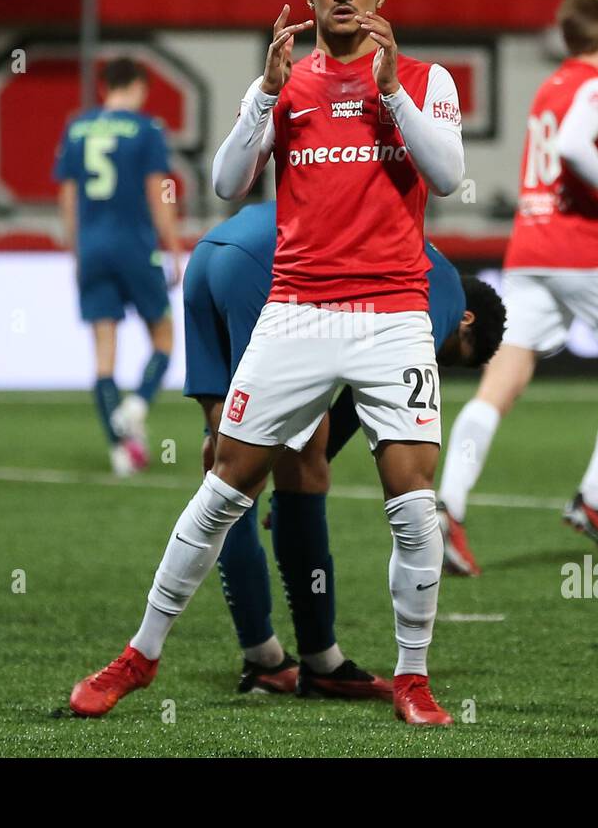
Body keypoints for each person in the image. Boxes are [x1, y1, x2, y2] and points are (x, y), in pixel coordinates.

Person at [69, 0, 466, 726]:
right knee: (223, 483)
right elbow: (223, 181)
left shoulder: (425, 80)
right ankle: (141, 654)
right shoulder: (287, 85)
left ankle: (414, 679)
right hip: (296, 312)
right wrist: (260, 97)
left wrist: (391, 94)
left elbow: (448, 176)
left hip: (391, 315)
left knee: (414, 500)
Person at [183, 200, 505, 695]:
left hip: (210, 256)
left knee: (224, 464)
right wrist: (313, 460)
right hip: (265, 270)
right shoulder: (438, 292)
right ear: (465, 323)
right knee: (300, 470)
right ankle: (320, 660)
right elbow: (365, 391)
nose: (441, 363)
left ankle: (263, 655)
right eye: (455, 358)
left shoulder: (424, 255)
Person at [438, 0, 598, 569]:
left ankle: (449, 507)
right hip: (581, 251)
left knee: (499, 386)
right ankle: (593, 500)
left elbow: (563, 158)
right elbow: (571, 148)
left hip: (530, 247)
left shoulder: (551, 86)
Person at [53, 57, 182, 475]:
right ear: (139, 86)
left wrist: (76, 250)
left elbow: (68, 196)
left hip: (92, 248)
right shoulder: (147, 129)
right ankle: (137, 404)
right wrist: (174, 246)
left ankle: (119, 453)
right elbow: (158, 190)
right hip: (134, 246)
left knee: (103, 355)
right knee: (163, 338)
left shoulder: (76, 127)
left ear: (105, 87)